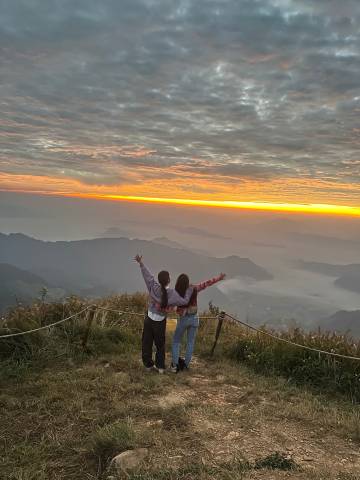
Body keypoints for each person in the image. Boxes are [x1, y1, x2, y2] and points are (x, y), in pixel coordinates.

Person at [134, 254, 194, 374]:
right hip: (160, 322)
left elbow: (148, 276)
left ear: (159, 280)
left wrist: (141, 263)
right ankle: (160, 367)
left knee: (146, 342)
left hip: (149, 319)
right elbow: (185, 301)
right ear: (169, 280)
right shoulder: (172, 294)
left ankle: (148, 365)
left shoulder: (154, 287)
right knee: (160, 345)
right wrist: (189, 290)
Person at [171, 272, 226, 372]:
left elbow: (172, 305)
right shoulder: (194, 288)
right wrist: (219, 278)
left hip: (183, 319)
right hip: (194, 318)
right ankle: (186, 365)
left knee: (176, 341)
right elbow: (206, 283)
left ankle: (174, 366)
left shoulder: (177, 292)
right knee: (190, 342)